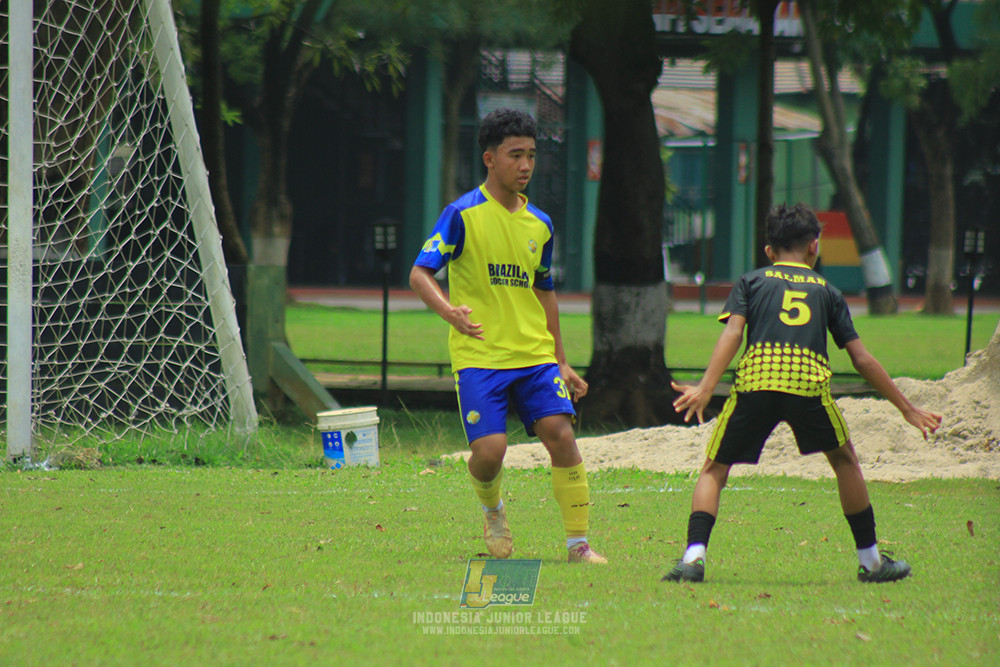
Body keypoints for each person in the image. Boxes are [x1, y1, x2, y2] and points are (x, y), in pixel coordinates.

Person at [663, 203, 942, 584]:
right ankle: (872, 563)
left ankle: (693, 559)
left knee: (715, 468)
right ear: (814, 246)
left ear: (769, 251)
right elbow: (861, 359)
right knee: (845, 461)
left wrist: (706, 388)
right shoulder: (828, 291)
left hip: (757, 381)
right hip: (807, 384)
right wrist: (906, 407)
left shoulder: (751, 282)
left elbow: (733, 334)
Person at [409, 108, 606, 564]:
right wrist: (450, 312)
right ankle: (492, 508)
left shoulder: (541, 224)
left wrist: (560, 360)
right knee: (490, 452)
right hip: (480, 355)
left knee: (561, 434)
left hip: (534, 355)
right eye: (515, 155)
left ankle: (578, 545)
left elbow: (544, 291)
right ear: (489, 159)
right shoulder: (461, 214)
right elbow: (420, 274)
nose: (525, 165)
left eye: (531, 155)